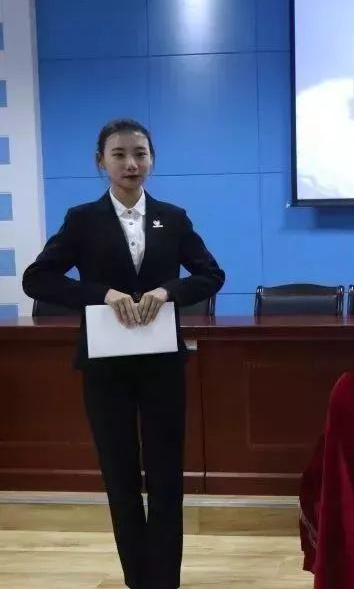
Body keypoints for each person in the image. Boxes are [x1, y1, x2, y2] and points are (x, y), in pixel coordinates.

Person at [22, 119, 225, 589]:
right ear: (101, 161)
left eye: (140, 153)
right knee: (120, 475)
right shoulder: (82, 219)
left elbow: (211, 275)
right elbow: (37, 278)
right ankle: (138, 579)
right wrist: (101, 294)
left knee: (167, 475)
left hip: (161, 365)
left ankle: (164, 580)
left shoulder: (172, 217)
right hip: (105, 367)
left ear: (152, 158)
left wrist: (168, 290)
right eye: (119, 154)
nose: (131, 163)